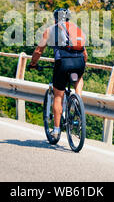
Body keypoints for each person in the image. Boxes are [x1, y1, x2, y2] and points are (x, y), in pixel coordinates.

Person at [29, 8, 88, 140]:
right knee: (78, 78)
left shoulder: (50, 30)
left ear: (55, 18)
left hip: (63, 64)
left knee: (58, 95)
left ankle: (56, 131)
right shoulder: (76, 29)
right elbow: (85, 53)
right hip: (79, 63)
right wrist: (81, 65)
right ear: (68, 18)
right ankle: (78, 100)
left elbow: (38, 51)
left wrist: (33, 63)